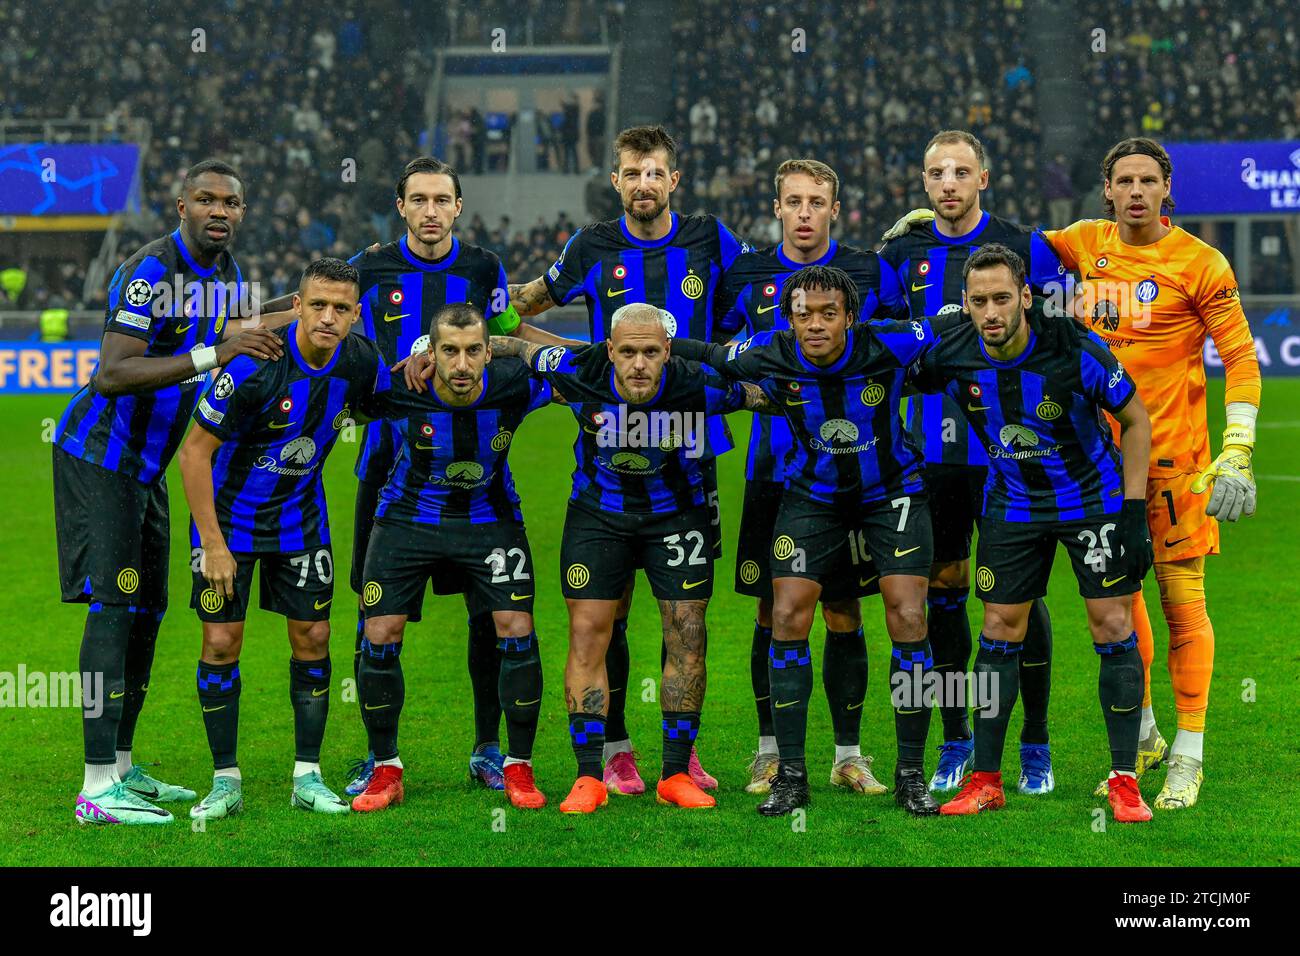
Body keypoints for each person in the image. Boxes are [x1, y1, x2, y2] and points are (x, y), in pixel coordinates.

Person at [260, 156, 565, 798]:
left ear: (459, 206)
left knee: (492, 617)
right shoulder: (368, 268)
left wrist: (589, 354)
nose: (431, 211)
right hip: (387, 466)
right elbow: (309, 310)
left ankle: (489, 748)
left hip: (478, 476)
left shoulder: (483, 269)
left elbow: (506, 333)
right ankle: (379, 758)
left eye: (442, 200)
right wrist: (233, 327)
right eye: (419, 200)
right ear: (401, 207)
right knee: (375, 614)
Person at [507, 125, 750, 795]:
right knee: (603, 612)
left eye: (655, 173)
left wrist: (754, 356)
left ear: (675, 179)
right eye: (631, 173)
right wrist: (472, 324)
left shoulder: (712, 239)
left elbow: (762, 294)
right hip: (606, 454)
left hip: (690, 457)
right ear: (615, 181)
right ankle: (613, 747)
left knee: (685, 617)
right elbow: (527, 305)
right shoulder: (591, 248)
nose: (644, 183)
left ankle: (681, 758)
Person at [53, 159, 287, 825]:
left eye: (232, 202)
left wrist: (287, 310)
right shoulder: (152, 270)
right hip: (101, 457)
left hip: (149, 468)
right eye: (207, 199)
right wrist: (222, 352)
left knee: (148, 610)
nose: (221, 210)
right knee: (112, 607)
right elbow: (113, 373)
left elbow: (226, 334)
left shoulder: (230, 275)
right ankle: (96, 788)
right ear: (179, 206)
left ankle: (124, 766)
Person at [670, 266, 943, 817]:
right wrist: (656, 342)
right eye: (802, 314)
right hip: (811, 495)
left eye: (827, 314)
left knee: (909, 617)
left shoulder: (889, 340)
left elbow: (948, 330)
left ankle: (911, 774)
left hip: (892, 492)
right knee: (788, 615)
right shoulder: (771, 350)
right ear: (788, 316)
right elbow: (714, 355)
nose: (814, 325)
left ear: (849, 315)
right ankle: (791, 777)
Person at [1044, 137, 1262, 810]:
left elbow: (1242, 359)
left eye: (1148, 180)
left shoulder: (1201, 263)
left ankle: (1188, 757)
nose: (1136, 191)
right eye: (1124, 181)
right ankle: (1142, 735)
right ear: (1106, 191)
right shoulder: (1082, 244)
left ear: (1167, 188)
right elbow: (1006, 249)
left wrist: (1239, 449)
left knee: (1182, 606)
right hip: (1098, 470)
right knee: (1115, 607)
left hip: (1176, 470)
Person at [908, 243, 1156, 823]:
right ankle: (987, 780)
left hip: (1090, 501)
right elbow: (891, 370)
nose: (990, 311)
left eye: (1001, 298)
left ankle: (1124, 782)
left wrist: (1135, 512)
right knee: (998, 629)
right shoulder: (954, 353)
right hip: (1012, 504)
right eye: (978, 301)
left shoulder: (1072, 348)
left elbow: (1136, 419)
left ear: (1025, 297)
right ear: (965, 305)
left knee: (1112, 625)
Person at [491, 303, 772, 813]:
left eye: (649, 352)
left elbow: (763, 394)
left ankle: (673, 773)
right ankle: (588, 776)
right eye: (627, 352)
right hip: (597, 519)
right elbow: (517, 350)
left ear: (667, 351)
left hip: (677, 520)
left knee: (687, 635)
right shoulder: (578, 370)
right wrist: (435, 355)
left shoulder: (698, 385)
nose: (638, 363)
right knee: (587, 635)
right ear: (609, 352)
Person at [878, 130, 1066, 795]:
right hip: (931, 455)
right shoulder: (901, 253)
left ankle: (1035, 741)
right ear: (924, 183)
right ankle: (957, 738)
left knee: (1019, 600)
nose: (949, 182)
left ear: (983, 178)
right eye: (936, 172)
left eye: (961, 171)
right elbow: (872, 331)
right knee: (946, 595)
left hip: (1014, 455)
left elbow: (1065, 333)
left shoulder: (1026, 246)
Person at [715, 157, 907, 796]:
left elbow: (899, 353)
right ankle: (771, 752)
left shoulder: (872, 273)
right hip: (773, 471)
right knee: (773, 611)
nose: (803, 213)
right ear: (776, 208)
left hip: (851, 476)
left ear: (835, 208)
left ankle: (849, 755)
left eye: (815, 202)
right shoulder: (745, 274)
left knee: (844, 609)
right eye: (792, 201)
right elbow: (722, 359)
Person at [178, 258, 386, 819]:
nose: (327, 317)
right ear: (296, 305)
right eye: (317, 305)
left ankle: (308, 775)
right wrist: (213, 544)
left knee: (314, 637)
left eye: (341, 309)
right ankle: (225, 780)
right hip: (230, 527)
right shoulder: (255, 363)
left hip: (302, 525)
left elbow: (387, 401)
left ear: (355, 315)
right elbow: (194, 453)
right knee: (221, 643)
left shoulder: (362, 361)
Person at [353, 304, 552, 813]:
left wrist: (520, 345)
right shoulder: (400, 388)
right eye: (448, 352)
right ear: (430, 353)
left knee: (515, 627)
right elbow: (335, 391)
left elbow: (590, 368)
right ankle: (385, 768)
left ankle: (517, 765)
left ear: (488, 353)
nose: (461, 365)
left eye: (471, 352)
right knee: (379, 633)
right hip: (406, 521)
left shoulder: (516, 384)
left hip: (490, 520)